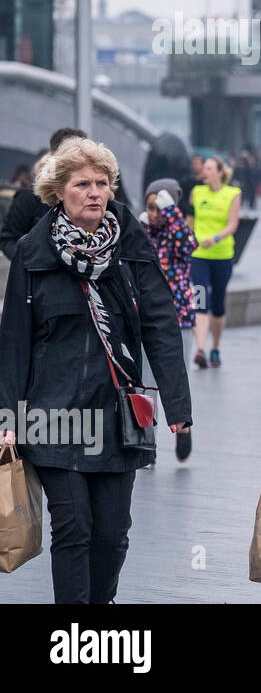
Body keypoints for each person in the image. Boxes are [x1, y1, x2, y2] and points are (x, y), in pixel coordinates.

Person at [0, 138, 192, 603]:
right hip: (51, 414)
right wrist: (8, 418)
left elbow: (160, 325)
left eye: (102, 183)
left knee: (112, 535)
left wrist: (177, 405)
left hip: (115, 415)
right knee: (73, 530)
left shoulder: (131, 246)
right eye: (82, 184)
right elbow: (14, 341)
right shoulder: (33, 251)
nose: (94, 192)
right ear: (58, 191)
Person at [141, 178, 199, 460]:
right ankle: (147, 438)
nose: (154, 214)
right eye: (150, 208)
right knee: (146, 379)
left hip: (179, 315)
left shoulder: (179, 233)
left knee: (177, 374)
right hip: (147, 316)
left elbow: (189, 246)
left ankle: (183, 427)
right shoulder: (142, 234)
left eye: (159, 208)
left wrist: (172, 213)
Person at [1, 127, 90, 261]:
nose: (77, 161)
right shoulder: (30, 196)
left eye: (83, 155)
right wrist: (33, 264)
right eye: (71, 154)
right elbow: (9, 240)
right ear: (53, 155)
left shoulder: (97, 195)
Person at [189, 157, 242, 370]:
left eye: (209, 168)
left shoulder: (232, 194)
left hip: (222, 255)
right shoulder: (196, 192)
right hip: (199, 255)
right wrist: (188, 237)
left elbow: (233, 225)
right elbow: (190, 221)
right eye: (204, 168)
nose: (205, 171)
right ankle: (200, 349)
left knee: (218, 304)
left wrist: (216, 238)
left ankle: (215, 347)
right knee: (200, 299)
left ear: (220, 172)